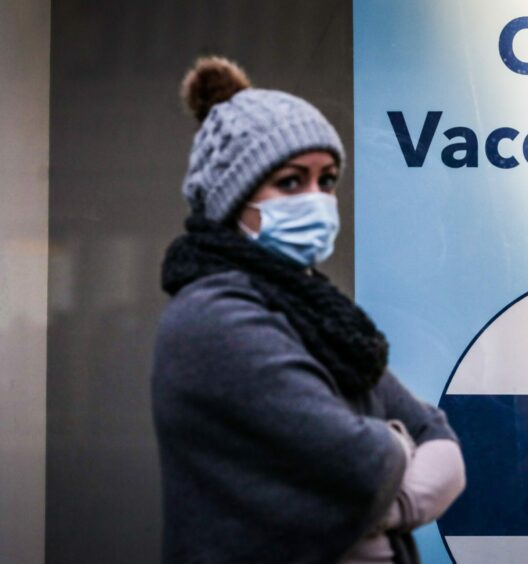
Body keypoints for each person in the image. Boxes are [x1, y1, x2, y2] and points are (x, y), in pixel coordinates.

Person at [152, 56, 465, 564]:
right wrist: (393, 451)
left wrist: (392, 496)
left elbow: (440, 439)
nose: (317, 200)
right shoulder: (213, 318)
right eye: (292, 182)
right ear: (234, 201)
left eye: (328, 180)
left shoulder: (319, 315)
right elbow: (360, 468)